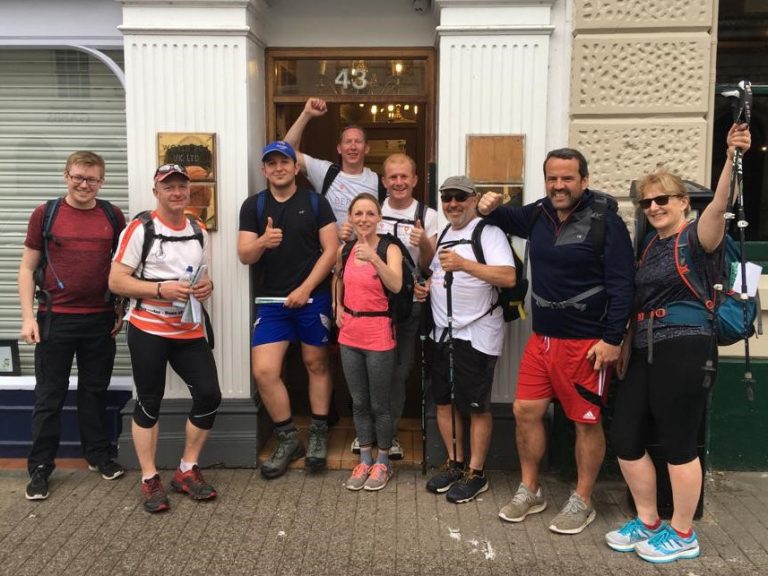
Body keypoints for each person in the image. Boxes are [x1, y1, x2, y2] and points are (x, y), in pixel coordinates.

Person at [605, 124, 751, 563]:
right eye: (646, 201)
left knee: (679, 441)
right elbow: (637, 300)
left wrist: (731, 157)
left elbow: (722, 204)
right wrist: (627, 344)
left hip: (687, 347)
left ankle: (683, 533)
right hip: (647, 348)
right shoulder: (649, 246)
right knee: (626, 436)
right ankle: (648, 521)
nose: (653, 207)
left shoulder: (697, 237)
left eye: (662, 199)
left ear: (683, 202)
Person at [478, 149, 635, 533]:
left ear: (584, 179)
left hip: (587, 344)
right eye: (552, 178)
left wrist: (613, 339)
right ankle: (531, 489)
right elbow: (502, 216)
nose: (559, 186)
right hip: (542, 339)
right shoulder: (539, 214)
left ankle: (583, 499)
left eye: (567, 178)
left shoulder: (606, 222)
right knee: (524, 411)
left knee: (585, 421)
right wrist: (489, 204)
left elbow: (623, 285)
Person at [109, 163, 220, 513]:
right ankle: (149, 477)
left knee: (209, 395)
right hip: (148, 328)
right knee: (149, 402)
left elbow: (202, 277)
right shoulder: (140, 229)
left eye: (181, 186)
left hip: (188, 328)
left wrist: (206, 287)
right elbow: (116, 281)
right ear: (156, 191)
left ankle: (187, 469)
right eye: (168, 186)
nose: (176, 192)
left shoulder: (198, 228)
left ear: (189, 190)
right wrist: (160, 289)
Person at [18, 151, 126, 501]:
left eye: (91, 179)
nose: (84, 184)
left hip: (99, 319)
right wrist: (27, 317)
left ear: (101, 182)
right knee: (50, 396)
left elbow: (122, 268)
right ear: (66, 176)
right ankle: (40, 467)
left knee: (94, 392)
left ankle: (97, 456)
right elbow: (26, 268)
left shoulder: (112, 215)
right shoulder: (45, 214)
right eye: (78, 177)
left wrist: (119, 309)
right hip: (55, 320)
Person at [237, 140, 338, 479]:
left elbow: (331, 251)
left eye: (285, 162)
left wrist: (306, 288)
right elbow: (244, 255)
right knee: (264, 372)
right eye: (272, 163)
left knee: (316, 363)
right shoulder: (254, 205)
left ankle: (319, 435)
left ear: (296, 168)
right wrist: (261, 243)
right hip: (271, 302)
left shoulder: (315, 202)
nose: (278, 168)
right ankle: (288, 439)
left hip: (313, 298)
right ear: (264, 170)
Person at [417, 176, 516, 503]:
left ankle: (476, 472)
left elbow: (507, 275)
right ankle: (454, 461)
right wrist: (425, 287)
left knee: (475, 404)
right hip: (443, 332)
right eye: (447, 198)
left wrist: (464, 264)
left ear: (473, 200)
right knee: (444, 401)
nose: (452, 204)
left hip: (477, 333)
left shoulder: (488, 233)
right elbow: (435, 273)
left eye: (460, 197)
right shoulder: (443, 233)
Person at [335, 193, 403, 491]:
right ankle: (364, 458)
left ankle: (384, 462)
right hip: (349, 332)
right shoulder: (345, 248)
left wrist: (373, 257)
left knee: (380, 404)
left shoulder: (390, 248)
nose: (363, 219)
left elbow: (397, 285)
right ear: (350, 217)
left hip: (378, 332)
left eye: (370, 213)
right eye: (358, 213)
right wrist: (337, 307)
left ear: (379, 218)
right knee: (359, 401)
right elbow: (338, 278)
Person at [377, 153, 437, 459]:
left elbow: (431, 266)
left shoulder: (429, 215)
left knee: (399, 372)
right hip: (374, 305)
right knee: (373, 371)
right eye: (393, 177)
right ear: (384, 181)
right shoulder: (373, 210)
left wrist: (424, 241)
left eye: (405, 177)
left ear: (414, 180)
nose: (399, 182)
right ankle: (369, 433)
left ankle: (391, 435)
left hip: (409, 306)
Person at [284, 97, 380, 240]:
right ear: (339, 149)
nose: (353, 147)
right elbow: (287, 152)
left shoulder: (377, 181)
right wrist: (306, 114)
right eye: (348, 142)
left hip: (366, 257)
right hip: (331, 258)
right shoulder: (325, 172)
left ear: (366, 148)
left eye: (358, 142)